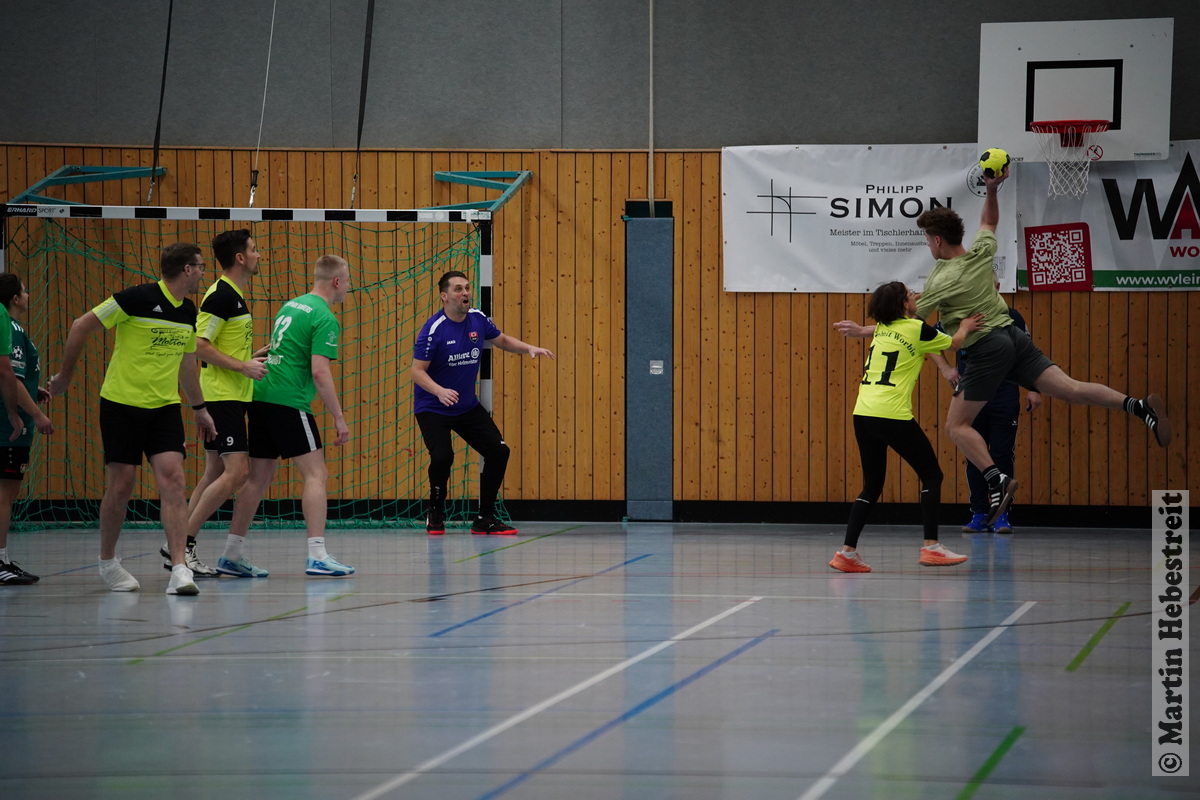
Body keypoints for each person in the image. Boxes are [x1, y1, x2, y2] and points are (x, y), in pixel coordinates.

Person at [835, 165, 1170, 526]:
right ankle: (1138, 407)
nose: (928, 245)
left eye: (927, 240)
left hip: (987, 349)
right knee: (1071, 389)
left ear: (936, 240)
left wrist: (864, 330)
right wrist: (992, 190)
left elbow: (907, 324)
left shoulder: (941, 280)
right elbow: (989, 221)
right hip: (1014, 335)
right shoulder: (980, 252)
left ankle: (996, 481)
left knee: (956, 427)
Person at [47, 243, 216, 595]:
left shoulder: (189, 311)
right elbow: (80, 325)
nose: (203, 272)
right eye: (200, 266)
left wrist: (199, 408)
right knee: (122, 485)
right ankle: (108, 561)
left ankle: (179, 568)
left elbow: (187, 363)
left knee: (174, 481)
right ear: (187, 269)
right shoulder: (135, 298)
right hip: (121, 405)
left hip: (164, 408)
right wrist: (64, 376)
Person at [829, 281, 981, 573]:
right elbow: (954, 343)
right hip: (892, 414)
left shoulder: (884, 327)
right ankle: (932, 547)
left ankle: (846, 553)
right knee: (932, 475)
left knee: (871, 486)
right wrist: (965, 326)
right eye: (911, 295)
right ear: (903, 304)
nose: (916, 297)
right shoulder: (915, 328)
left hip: (863, 412)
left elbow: (893, 317)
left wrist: (911, 298)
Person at [223, 254, 354, 576]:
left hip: (262, 395)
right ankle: (317, 555)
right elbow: (320, 372)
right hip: (289, 400)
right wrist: (338, 417)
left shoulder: (292, 305)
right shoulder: (324, 317)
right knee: (316, 474)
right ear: (337, 282)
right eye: (348, 281)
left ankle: (231, 554)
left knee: (258, 478)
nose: (348, 288)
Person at [411, 270, 554, 536]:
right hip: (433, 407)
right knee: (443, 457)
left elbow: (502, 340)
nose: (465, 293)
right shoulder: (434, 330)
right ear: (444, 296)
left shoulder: (477, 318)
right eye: (458, 289)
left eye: (467, 287)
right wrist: (440, 391)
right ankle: (435, 511)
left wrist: (529, 348)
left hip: (466, 406)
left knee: (499, 451)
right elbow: (417, 372)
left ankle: (484, 518)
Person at [166, 230, 269, 578]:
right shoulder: (221, 296)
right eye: (253, 250)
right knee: (238, 471)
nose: (258, 255)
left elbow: (219, 346)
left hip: (231, 394)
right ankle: (184, 545)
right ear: (239, 258)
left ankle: (176, 544)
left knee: (213, 471)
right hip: (221, 396)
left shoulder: (233, 295)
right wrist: (242, 366)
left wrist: (250, 357)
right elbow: (198, 345)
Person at [955, 278, 1041, 535]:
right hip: (972, 394)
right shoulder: (961, 316)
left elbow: (1028, 354)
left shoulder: (1012, 316)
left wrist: (1034, 388)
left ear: (997, 287)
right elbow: (932, 338)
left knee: (1002, 454)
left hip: (1004, 392)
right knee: (974, 454)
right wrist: (946, 368)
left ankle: (1001, 514)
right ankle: (979, 512)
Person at [0, 275, 54, 585]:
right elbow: (11, 378)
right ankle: (0, 560)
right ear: (15, 299)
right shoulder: (13, 328)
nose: (28, 294)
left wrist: (33, 390)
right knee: (5, 494)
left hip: (7, 424)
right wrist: (37, 415)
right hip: (8, 427)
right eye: (24, 290)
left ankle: (4, 559)